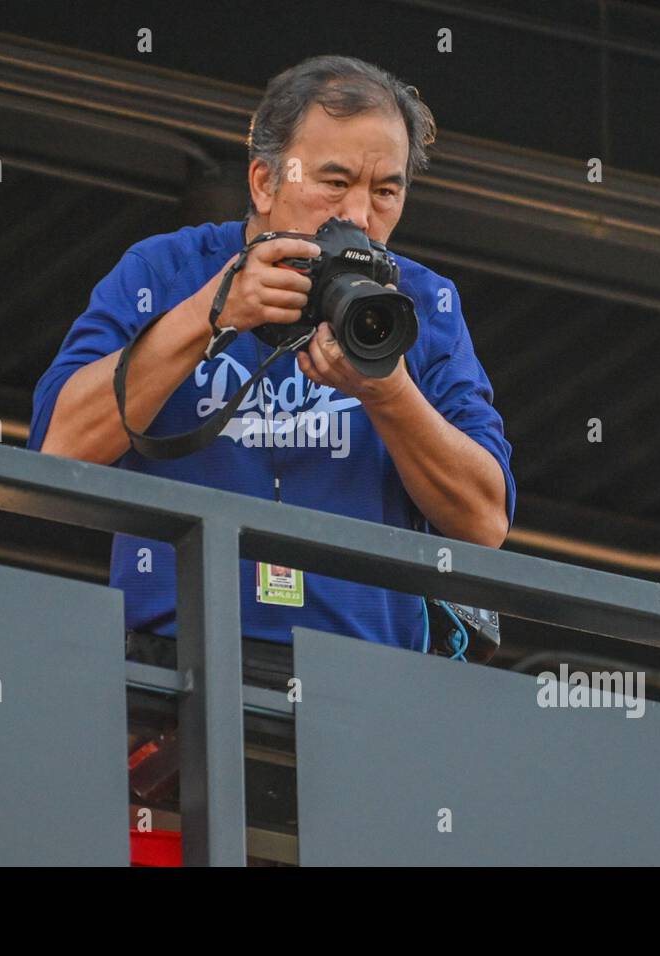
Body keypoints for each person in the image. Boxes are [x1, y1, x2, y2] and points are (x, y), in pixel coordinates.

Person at [28, 55, 515, 682]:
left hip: (371, 679)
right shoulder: (164, 270)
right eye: (334, 183)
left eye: (386, 191)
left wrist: (388, 392)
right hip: (172, 668)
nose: (360, 217)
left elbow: (484, 522)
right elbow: (56, 450)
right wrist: (212, 311)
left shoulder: (422, 304)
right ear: (263, 182)